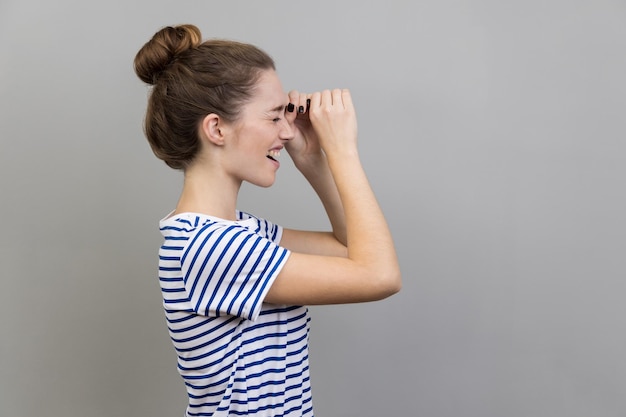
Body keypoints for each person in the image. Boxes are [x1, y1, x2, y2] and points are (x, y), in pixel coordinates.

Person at [134, 24, 401, 417]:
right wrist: (342, 149)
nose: (287, 131)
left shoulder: (241, 233)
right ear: (217, 128)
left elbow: (351, 247)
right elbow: (380, 275)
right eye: (274, 116)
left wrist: (314, 162)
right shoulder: (209, 247)